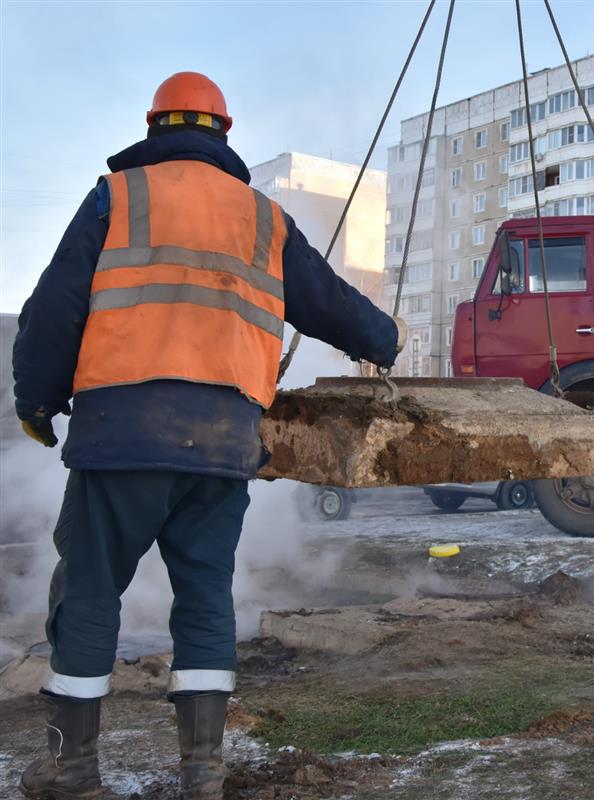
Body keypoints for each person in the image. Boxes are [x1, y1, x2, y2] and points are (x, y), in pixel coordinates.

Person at [13, 71, 406, 800]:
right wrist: (385, 338)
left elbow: (52, 310)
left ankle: (72, 771)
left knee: (91, 592)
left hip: (120, 441)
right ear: (223, 134)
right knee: (204, 598)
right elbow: (330, 304)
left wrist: (36, 404)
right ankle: (204, 774)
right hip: (224, 447)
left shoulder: (116, 198)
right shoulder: (262, 217)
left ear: (155, 128)